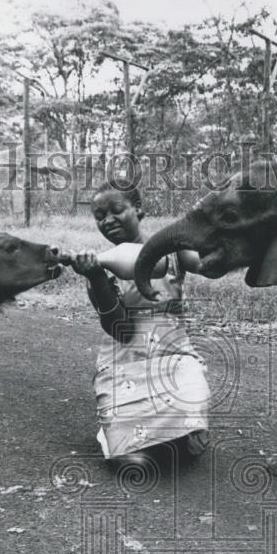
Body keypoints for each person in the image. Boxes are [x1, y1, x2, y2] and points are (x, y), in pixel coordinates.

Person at [69, 181, 210, 469]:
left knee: (186, 430)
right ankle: (139, 440)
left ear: (139, 210)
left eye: (116, 210)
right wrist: (96, 277)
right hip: (125, 360)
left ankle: (166, 438)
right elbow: (120, 329)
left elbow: (213, 264)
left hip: (175, 356)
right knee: (132, 464)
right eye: (99, 216)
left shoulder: (173, 252)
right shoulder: (99, 267)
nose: (107, 220)